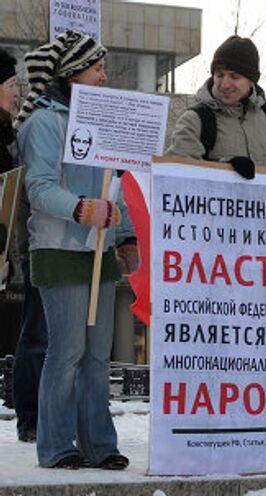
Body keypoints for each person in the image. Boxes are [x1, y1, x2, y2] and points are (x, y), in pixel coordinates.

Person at [15, 30, 137, 470]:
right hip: (59, 250)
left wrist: (125, 236)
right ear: (72, 74)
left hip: (99, 253)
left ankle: (99, 445)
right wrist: (84, 210)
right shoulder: (43, 124)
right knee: (65, 353)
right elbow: (41, 189)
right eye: (97, 68)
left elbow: (114, 187)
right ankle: (56, 445)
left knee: (97, 355)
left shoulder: (100, 122)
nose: (104, 76)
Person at [166, 35, 266, 176]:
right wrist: (226, 168)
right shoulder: (195, 121)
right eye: (219, 75)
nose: (225, 84)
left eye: (234, 77)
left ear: (251, 80)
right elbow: (177, 174)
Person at [0, 47, 48, 444]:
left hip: (9, 252)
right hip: (31, 247)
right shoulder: (27, 129)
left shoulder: (9, 134)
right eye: (11, 84)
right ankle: (29, 416)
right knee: (35, 335)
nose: (17, 93)